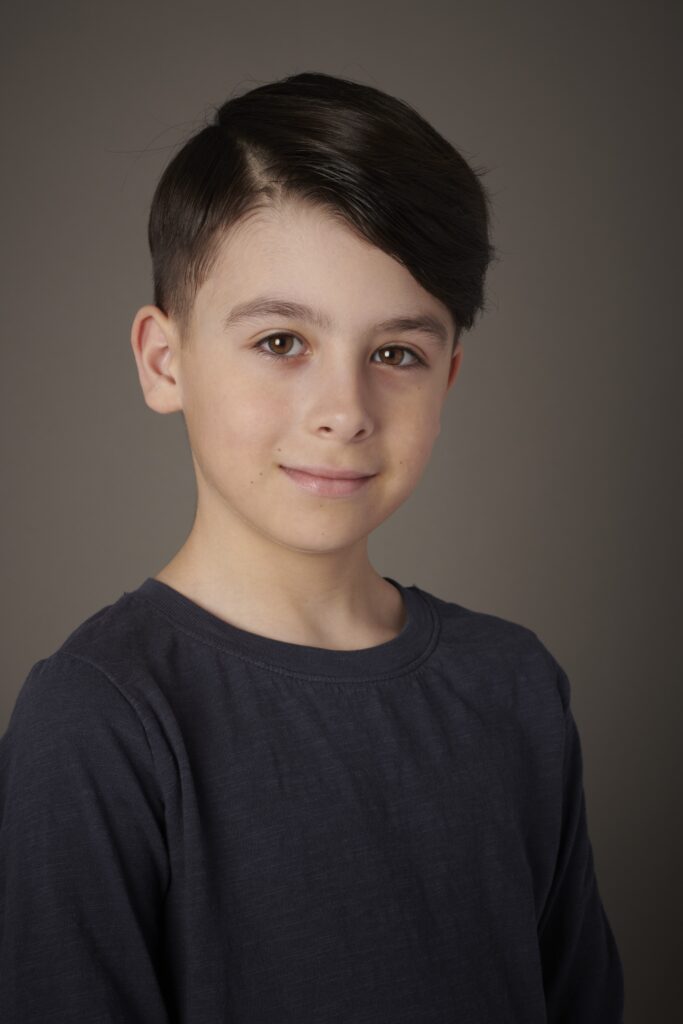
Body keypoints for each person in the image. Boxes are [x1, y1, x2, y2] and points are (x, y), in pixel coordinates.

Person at [0, 71, 624, 1022]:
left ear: (447, 375)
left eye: (395, 354)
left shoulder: (514, 687)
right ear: (165, 361)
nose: (344, 412)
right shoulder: (98, 720)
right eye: (282, 341)